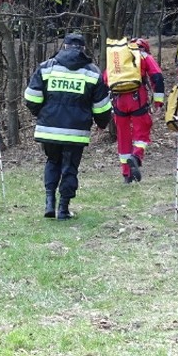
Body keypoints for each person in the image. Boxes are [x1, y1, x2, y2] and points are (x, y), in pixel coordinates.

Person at [25, 33, 112, 219]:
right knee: (70, 168)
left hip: (49, 128)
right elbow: (102, 106)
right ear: (83, 49)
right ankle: (63, 209)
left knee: (52, 161)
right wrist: (101, 123)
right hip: (76, 131)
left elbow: (31, 98)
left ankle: (49, 202)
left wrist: (42, 114)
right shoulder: (92, 72)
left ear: (63, 46)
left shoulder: (46, 67)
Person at [105, 38, 165, 184]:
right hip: (137, 99)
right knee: (142, 131)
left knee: (123, 136)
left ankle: (126, 174)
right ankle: (136, 156)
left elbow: (106, 79)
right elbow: (157, 77)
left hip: (118, 101)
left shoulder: (117, 58)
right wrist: (158, 100)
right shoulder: (144, 56)